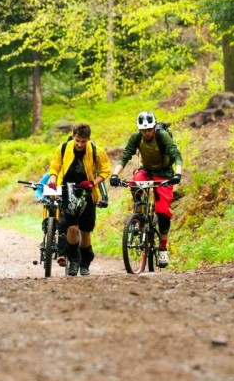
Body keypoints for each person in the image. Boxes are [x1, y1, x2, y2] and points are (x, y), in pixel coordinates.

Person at [109, 111, 183, 268]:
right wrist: (115, 174)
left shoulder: (162, 136)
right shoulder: (136, 138)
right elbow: (125, 156)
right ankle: (140, 218)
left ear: (154, 127)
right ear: (139, 130)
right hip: (147, 171)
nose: (147, 133)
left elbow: (176, 155)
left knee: (163, 211)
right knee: (135, 183)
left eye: (149, 129)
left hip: (164, 174)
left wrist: (177, 174)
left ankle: (162, 248)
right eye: (144, 130)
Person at [47, 124, 110, 276]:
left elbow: (105, 171)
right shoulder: (63, 148)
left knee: (85, 231)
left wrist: (93, 183)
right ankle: (74, 260)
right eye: (77, 141)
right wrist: (53, 179)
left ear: (88, 139)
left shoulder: (96, 151)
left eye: (83, 141)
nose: (80, 144)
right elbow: (54, 167)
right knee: (71, 228)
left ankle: (85, 262)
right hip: (67, 190)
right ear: (73, 137)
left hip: (87, 192)